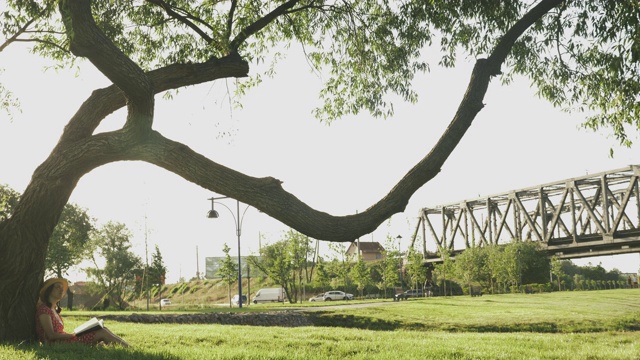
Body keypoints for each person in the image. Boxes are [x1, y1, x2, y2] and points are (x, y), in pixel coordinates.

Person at [35, 278, 129, 347]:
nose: (61, 289)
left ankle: (126, 346)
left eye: (62, 288)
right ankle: (129, 348)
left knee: (103, 329)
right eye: (57, 287)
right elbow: (50, 335)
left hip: (65, 341)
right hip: (58, 344)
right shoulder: (44, 310)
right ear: (49, 290)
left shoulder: (53, 310)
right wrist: (71, 335)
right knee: (102, 332)